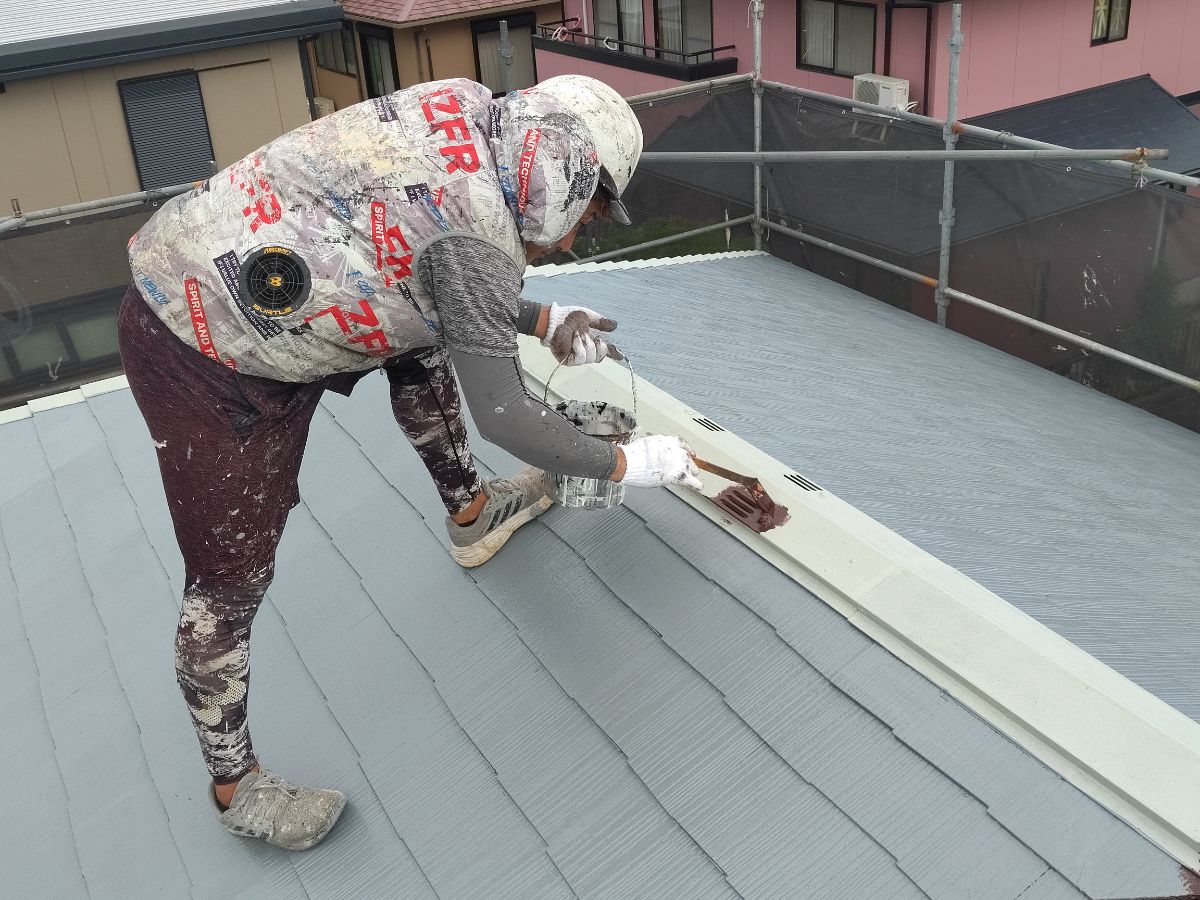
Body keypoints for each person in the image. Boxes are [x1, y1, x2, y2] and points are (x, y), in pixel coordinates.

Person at [119, 74, 701, 851]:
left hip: (262, 271)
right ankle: (235, 784)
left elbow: (416, 254)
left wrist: (540, 318)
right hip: (197, 338)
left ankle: (472, 513)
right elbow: (504, 413)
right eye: (585, 218)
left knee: (423, 340)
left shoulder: (468, 114)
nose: (569, 241)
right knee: (229, 577)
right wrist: (627, 463)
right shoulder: (480, 236)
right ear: (566, 177)